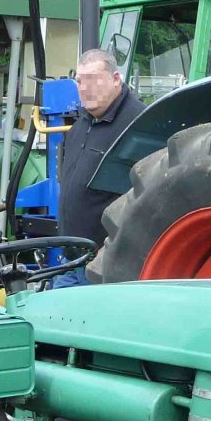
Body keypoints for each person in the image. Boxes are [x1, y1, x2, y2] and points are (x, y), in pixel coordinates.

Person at [53, 49, 146, 287]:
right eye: (80, 81)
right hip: (71, 262)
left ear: (116, 79)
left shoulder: (139, 126)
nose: (85, 88)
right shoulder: (80, 126)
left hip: (108, 269)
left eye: (93, 79)